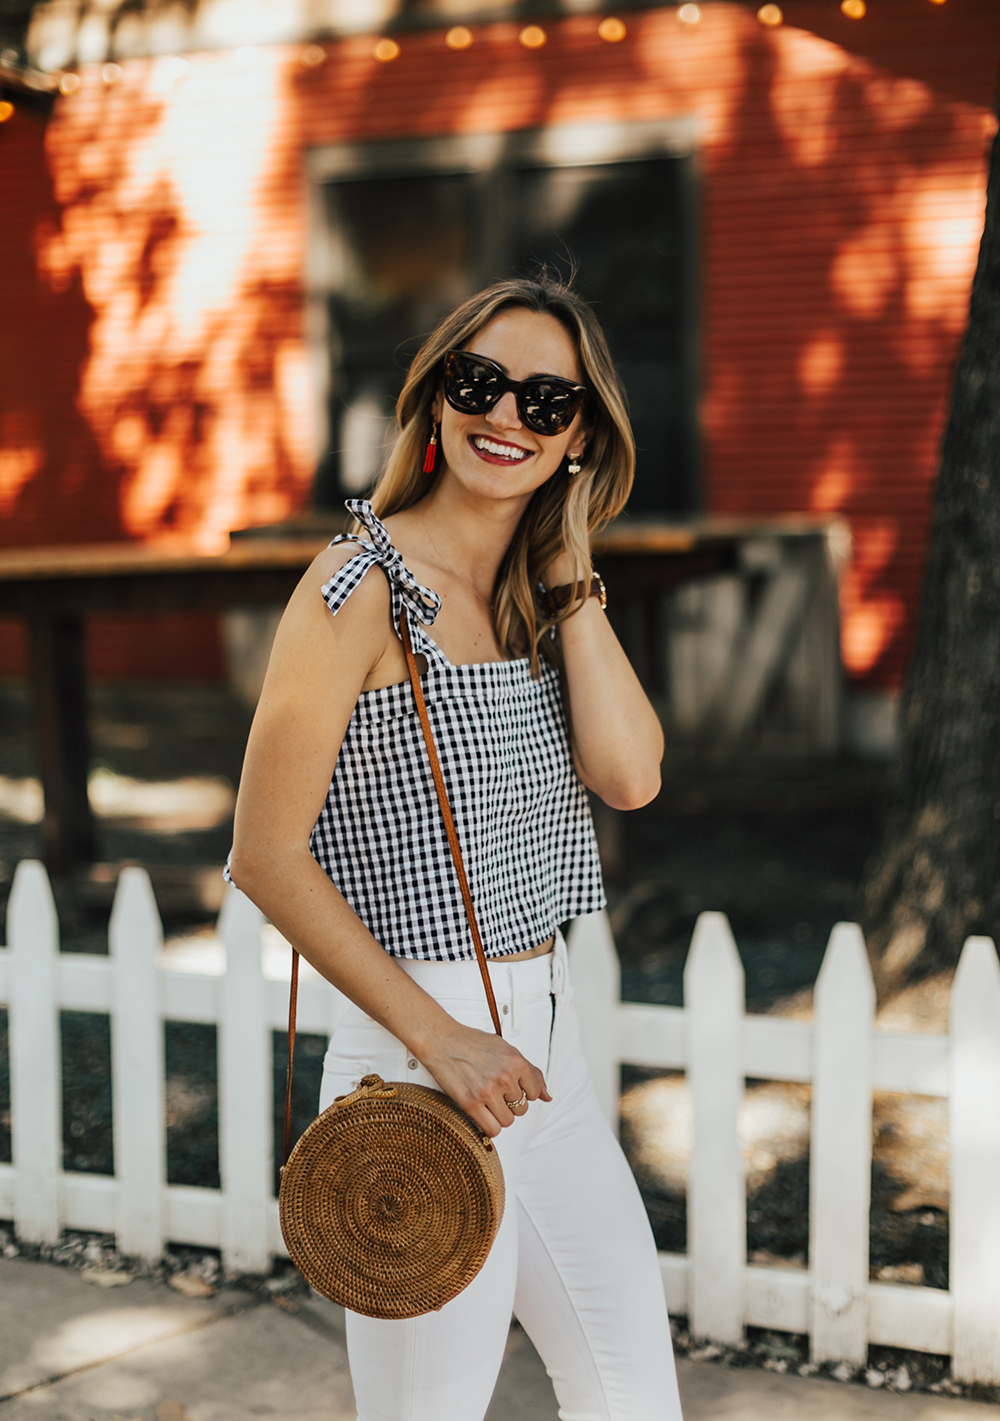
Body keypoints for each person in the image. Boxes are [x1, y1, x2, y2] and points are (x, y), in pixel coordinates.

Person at [229, 274, 683, 1421]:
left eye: (547, 401)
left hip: (547, 1062)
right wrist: (445, 1041)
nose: (508, 418)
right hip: (417, 1056)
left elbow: (631, 776)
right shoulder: (354, 589)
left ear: (579, 436)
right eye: (481, 385)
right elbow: (266, 854)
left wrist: (570, 571)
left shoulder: (536, 597)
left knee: (632, 1397)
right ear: (434, 401)